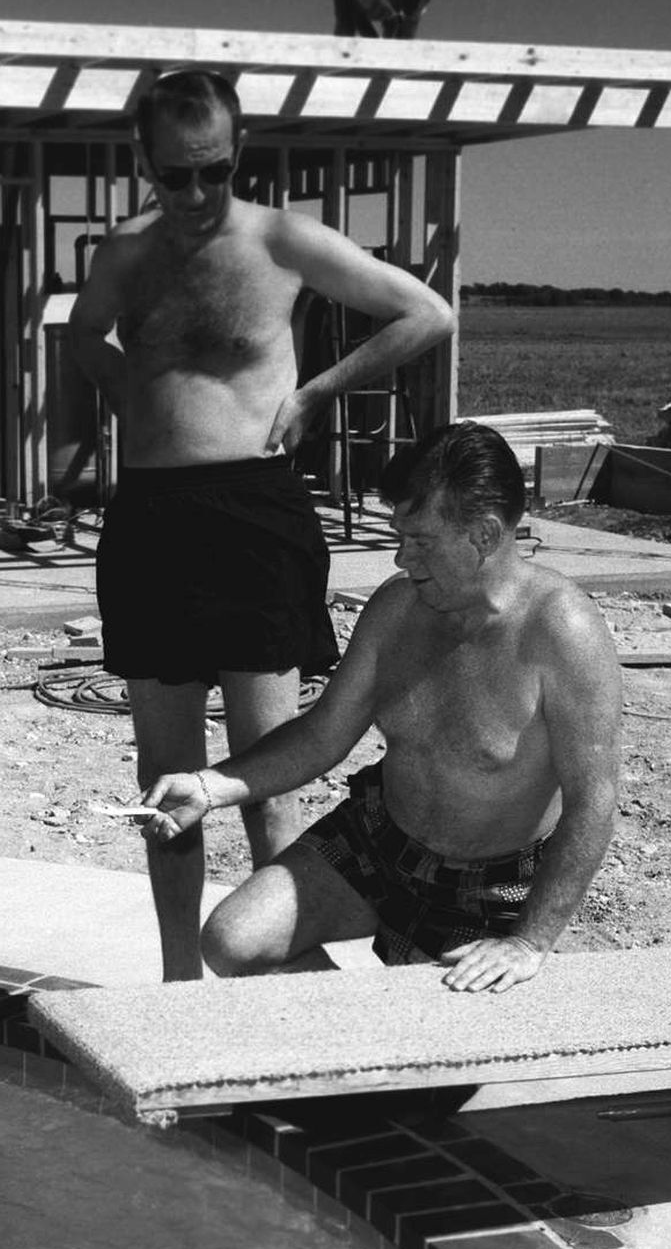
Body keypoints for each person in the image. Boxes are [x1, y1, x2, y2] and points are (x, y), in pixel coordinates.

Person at [68, 69, 456, 982]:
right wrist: (122, 385)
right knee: (164, 785)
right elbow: (84, 332)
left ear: (238, 155)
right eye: (175, 177)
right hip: (153, 523)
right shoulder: (124, 253)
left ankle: (289, 987)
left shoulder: (281, 238)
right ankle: (177, 985)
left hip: (255, 516)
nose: (197, 194)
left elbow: (425, 313)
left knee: (266, 773)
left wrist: (320, 389)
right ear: (144, 164)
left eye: (214, 170)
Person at [142, 422, 623, 993]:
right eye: (400, 535)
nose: (401, 557)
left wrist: (528, 942)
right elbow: (323, 736)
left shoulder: (562, 631)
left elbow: (595, 801)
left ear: (485, 535)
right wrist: (209, 786)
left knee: (438, 1065)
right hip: (378, 840)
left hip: (491, 883)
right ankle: (363, 1039)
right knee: (233, 940)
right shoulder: (398, 609)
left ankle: (389, 1048)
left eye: (420, 541)